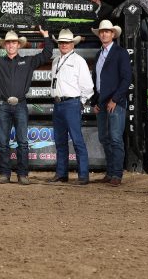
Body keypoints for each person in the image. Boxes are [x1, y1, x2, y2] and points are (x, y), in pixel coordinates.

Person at [0, 24, 52, 185]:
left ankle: (22, 174)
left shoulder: (28, 61)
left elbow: (47, 54)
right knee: (3, 142)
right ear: (5, 45)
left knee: (22, 142)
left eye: (14, 42)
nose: (11, 45)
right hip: (4, 105)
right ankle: (4, 174)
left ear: (18, 44)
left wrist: (46, 36)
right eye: (8, 43)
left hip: (20, 105)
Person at [48, 29, 94, 185]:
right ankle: (61, 173)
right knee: (60, 141)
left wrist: (80, 102)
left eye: (67, 42)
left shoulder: (79, 61)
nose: (64, 45)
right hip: (59, 103)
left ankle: (83, 175)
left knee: (77, 140)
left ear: (72, 44)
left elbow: (88, 86)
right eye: (61, 42)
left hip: (72, 103)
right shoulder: (55, 61)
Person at [91, 20, 131, 187]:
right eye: (102, 31)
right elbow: (96, 80)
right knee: (104, 138)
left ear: (113, 34)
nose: (104, 34)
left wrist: (115, 99)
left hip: (116, 102)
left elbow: (127, 78)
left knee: (115, 138)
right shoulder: (98, 54)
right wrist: (95, 101)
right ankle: (110, 172)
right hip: (101, 101)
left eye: (107, 31)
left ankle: (117, 174)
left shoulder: (120, 53)